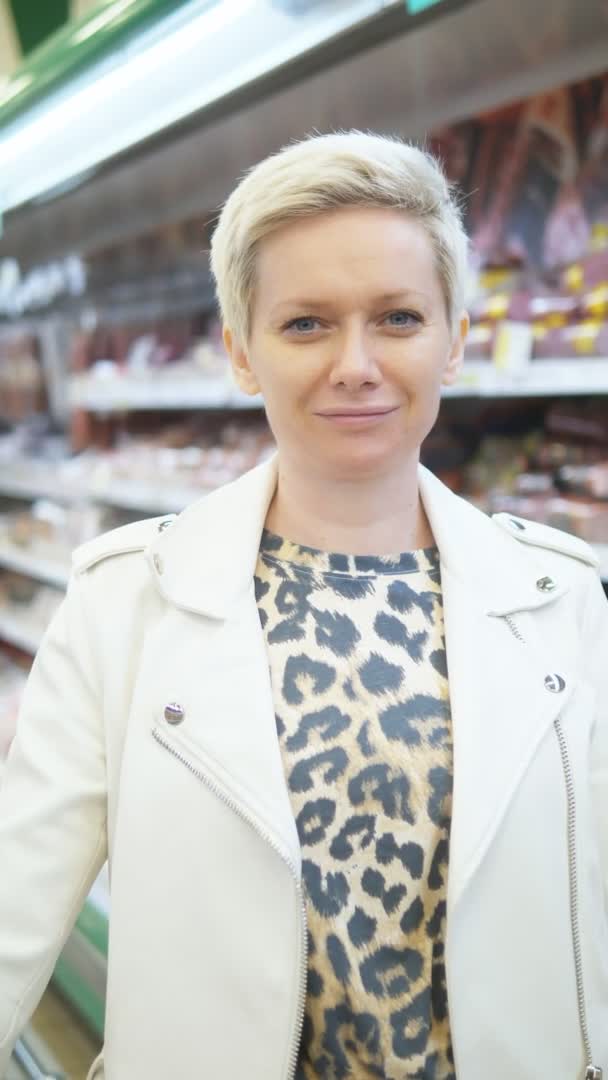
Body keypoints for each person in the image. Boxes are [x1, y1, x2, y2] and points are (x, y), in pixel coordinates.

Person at [0, 131, 607, 1080]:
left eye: (399, 318)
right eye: (306, 324)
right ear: (242, 353)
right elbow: (14, 903)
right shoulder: (122, 603)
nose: (356, 364)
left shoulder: (565, 600)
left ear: (454, 339)